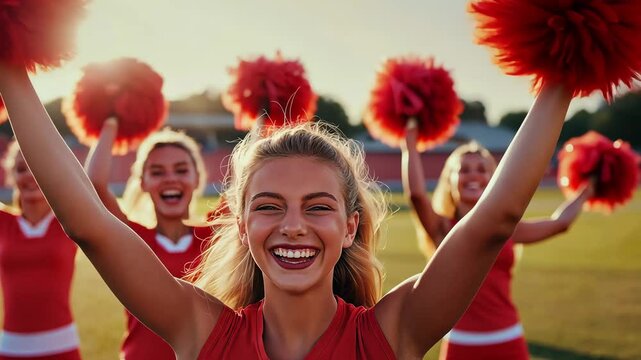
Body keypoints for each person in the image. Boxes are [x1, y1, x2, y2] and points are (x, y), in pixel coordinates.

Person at [1, 60, 574, 359]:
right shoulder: (200, 332)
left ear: (352, 226)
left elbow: (494, 221)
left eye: (318, 206)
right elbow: (90, 226)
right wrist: (12, 64)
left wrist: (564, 70)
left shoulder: (394, 332)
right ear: (241, 222)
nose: (293, 225)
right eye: (268, 205)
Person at [401, 122, 594, 359]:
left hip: (508, 339)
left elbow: (559, 223)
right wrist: (409, 142)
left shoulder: (506, 229)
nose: (473, 175)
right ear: (450, 181)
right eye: (464, 170)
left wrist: (587, 190)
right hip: (461, 343)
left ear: (493, 180)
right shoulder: (441, 228)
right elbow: (417, 195)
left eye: (482, 169)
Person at [83, 119, 212, 359]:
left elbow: (255, 182)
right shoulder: (133, 239)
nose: (170, 179)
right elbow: (94, 185)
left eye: (181, 170)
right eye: (157, 172)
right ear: (143, 182)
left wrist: (264, 112)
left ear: (197, 178)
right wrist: (111, 118)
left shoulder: (215, 237)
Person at [0, 141, 80, 360]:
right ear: (11, 176)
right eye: (20, 169)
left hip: (63, 348)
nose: (29, 175)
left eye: (36, 167)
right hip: (10, 349)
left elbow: (94, 183)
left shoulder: (70, 220)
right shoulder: (3, 222)